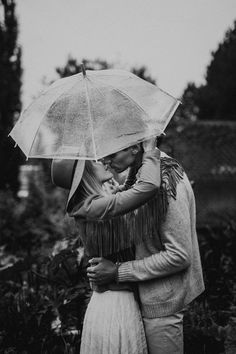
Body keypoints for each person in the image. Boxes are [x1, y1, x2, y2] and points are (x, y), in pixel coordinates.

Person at [85, 142, 205, 354]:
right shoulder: (142, 173)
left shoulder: (165, 181)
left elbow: (179, 255)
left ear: (133, 147)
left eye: (111, 153)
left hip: (162, 303)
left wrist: (117, 271)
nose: (105, 161)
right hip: (145, 295)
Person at [52, 139, 161, 354]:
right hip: (115, 304)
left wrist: (133, 161)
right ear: (84, 174)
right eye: (93, 160)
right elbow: (148, 187)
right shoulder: (92, 207)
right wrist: (149, 150)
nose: (102, 159)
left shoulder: (97, 202)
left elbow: (129, 193)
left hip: (115, 300)